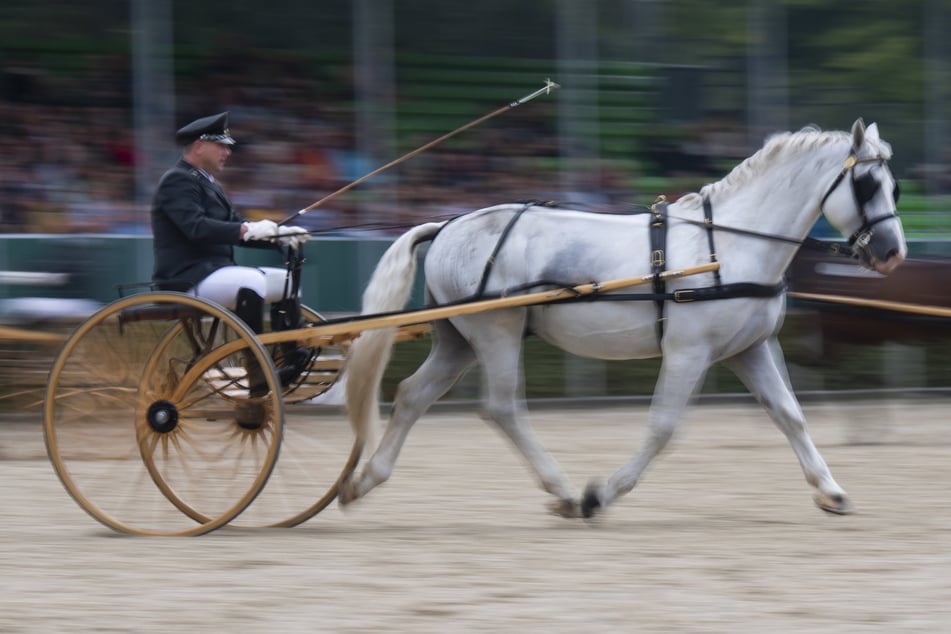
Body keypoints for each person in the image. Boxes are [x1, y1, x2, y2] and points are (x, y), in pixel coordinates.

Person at [151, 111, 311, 393]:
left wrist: (278, 235)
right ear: (200, 145)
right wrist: (246, 230)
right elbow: (195, 228)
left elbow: (237, 225)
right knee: (251, 282)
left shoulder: (210, 184)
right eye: (222, 145)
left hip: (214, 274)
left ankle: (291, 358)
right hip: (187, 279)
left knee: (287, 282)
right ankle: (257, 371)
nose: (228, 152)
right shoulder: (176, 180)